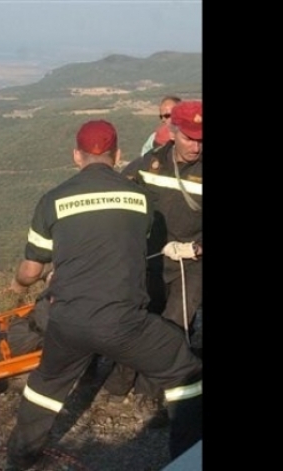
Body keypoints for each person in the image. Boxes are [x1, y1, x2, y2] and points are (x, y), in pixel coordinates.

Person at [4, 120, 202, 471]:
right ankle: (187, 455)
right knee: (183, 370)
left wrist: (19, 285)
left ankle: (20, 457)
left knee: (45, 386)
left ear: (75, 155)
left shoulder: (53, 200)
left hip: (67, 319)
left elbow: (32, 270)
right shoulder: (140, 200)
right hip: (124, 321)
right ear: (118, 155)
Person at [102, 101, 203, 408]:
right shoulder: (150, 164)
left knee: (174, 326)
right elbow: (117, 193)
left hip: (192, 263)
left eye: (201, 139)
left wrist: (196, 248)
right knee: (139, 320)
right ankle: (120, 381)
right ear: (173, 132)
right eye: (189, 138)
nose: (196, 146)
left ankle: (152, 394)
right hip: (152, 258)